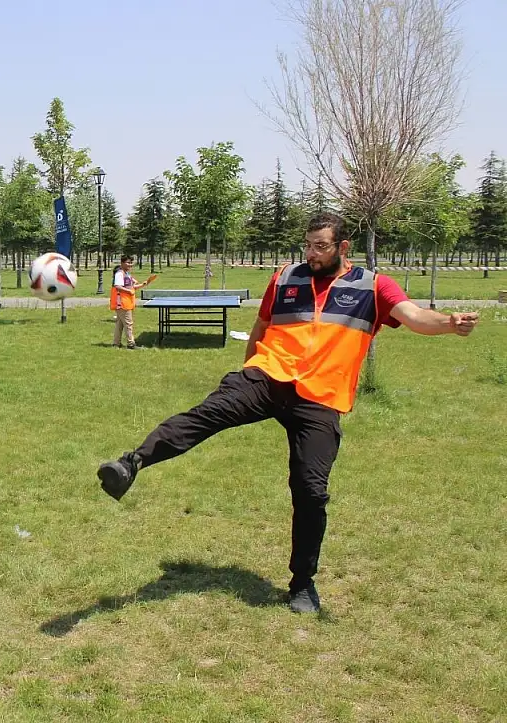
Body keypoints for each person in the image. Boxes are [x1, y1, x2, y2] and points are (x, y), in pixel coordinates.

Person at [96, 212, 480, 614]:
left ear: (343, 247)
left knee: (311, 490)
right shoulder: (285, 277)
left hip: (320, 397)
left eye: (321, 247)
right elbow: (262, 326)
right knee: (208, 412)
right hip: (269, 377)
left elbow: (414, 317)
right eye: (308, 245)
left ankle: (302, 584)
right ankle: (132, 463)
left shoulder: (372, 286)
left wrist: (449, 323)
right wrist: (248, 371)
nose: (311, 254)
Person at [109, 255, 155, 349]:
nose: (130, 264)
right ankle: (131, 344)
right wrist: (128, 291)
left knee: (119, 324)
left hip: (127, 303)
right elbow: (118, 286)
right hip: (122, 303)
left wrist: (144, 284)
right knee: (128, 324)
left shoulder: (127, 274)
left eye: (131, 263)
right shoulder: (120, 274)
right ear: (122, 263)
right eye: (128, 262)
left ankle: (116, 343)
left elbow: (132, 287)